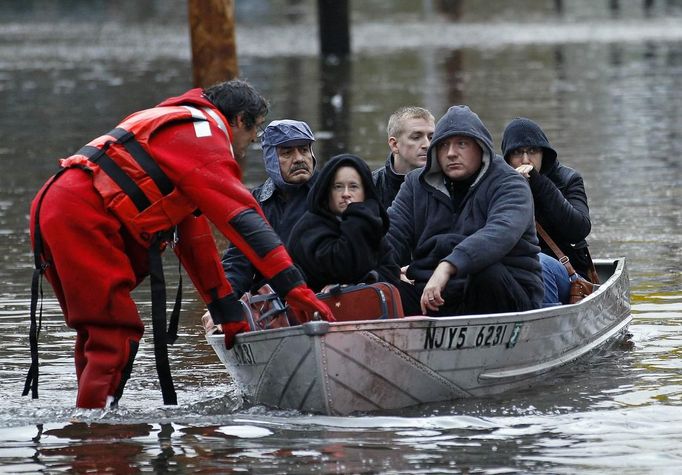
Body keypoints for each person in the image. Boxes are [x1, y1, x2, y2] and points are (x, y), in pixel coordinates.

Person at [27, 79, 333, 409]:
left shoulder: (176, 125)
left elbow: (195, 239)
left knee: (97, 332)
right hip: (80, 217)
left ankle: (89, 425)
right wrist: (294, 288)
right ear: (239, 120)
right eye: (254, 129)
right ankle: (98, 437)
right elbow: (242, 218)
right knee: (114, 334)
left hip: (55, 207)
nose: (254, 140)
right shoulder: (203, 136)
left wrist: (225, 310)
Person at [387, 105, 544, 316]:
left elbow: (500, 233)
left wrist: (448, 266)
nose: (451, 153)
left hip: (501, 295)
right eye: (443, 145)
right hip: (433, 296)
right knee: (380, 285)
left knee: (486, 272)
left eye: (462, 144)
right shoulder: (415, 184)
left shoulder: (511, 183)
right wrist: (365, 271)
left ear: (480, 148)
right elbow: (391, 234)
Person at [222, 119, 318, 298]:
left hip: (323, 294)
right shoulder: (255, 202)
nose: (299, 159)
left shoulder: (330, 193)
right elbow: (237, 261)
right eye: (287, 153)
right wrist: (222, 303)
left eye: (304, 150)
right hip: (273, 300)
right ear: (271, 159)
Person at [287, 153, 403, 294]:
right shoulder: (309, 228)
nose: (346, 194)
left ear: (365, 192)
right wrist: (357, 216)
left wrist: (369, 280)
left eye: (353, 186)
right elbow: (342, 269)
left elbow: (391, 271)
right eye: (338, 187)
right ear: (327, 191)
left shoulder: (369, 223)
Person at [501, 117, 593, 280]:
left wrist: (538, 183)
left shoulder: (569, 180)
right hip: (517, 268)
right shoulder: (499, 185)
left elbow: (579, 229)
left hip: (568, 272)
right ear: (507, 159)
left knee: (540, 265)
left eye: (532, 151)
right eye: (517, 152)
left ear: (543, 153)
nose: (525, 160)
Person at [372, 106, 435, 209]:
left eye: (431, 138)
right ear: (394, 145)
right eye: (416, 137)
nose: (427, 145)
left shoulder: (445, 185)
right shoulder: (371, 186)